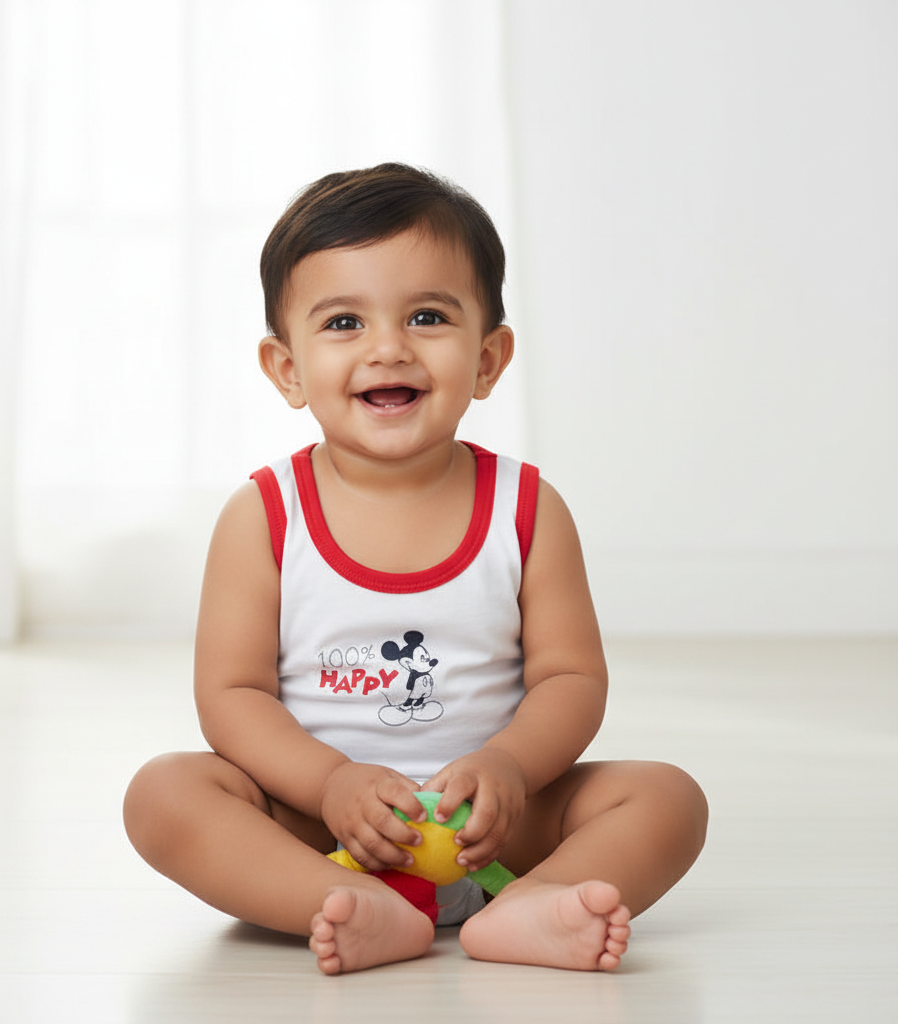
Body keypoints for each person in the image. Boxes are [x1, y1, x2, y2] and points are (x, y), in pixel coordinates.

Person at [123, 163, 708, 976]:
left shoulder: (526, 508)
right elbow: (232, 697)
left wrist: (510, 767)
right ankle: (339, 902)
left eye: (428, 317)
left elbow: (571, 678)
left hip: (497, 832)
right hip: (324, 831)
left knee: (668, 797)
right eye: (344, 323)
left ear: (489, 358)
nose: (388, 348)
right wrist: (330, 785)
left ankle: (537, 903)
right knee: (163, 793)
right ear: (288, 369)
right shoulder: (264, 516)